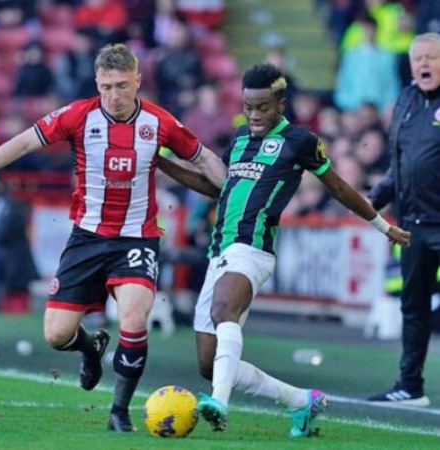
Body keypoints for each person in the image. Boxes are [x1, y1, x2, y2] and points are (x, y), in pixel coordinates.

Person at [0, 43, 227, 432]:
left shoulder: (158, 122)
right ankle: (90, 347)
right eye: (106, 86)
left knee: (134, 317)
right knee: (56, 335)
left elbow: (204, 158)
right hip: (86, 238)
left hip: (136, 239)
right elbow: (22, 141)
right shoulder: (78, 116)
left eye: (123, 85)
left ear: (138, 81)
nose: (114, 96)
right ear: (96, 82)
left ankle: (118, 412)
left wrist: (239, 195)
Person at [158, 63, 410, 437]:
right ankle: (300, 401)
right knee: (210, 364)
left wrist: (382, 226)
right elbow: (217, 188)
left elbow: (338, 188)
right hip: (220, 251)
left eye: (263, 107)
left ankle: (220, 404)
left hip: (254, 248)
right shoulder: (240, 139)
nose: (255, 115)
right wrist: (159, 162)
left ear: (281, 104)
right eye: (249, 107)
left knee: (223, 309)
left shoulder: (300, 141)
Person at [367, 32, 440, 407]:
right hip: (413, 224)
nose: (424, 64)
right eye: (419, 59)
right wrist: (375, 200)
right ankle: (410, 386)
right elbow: (400, 165)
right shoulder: (408, 100)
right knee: (413, 307)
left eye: (432, 57)